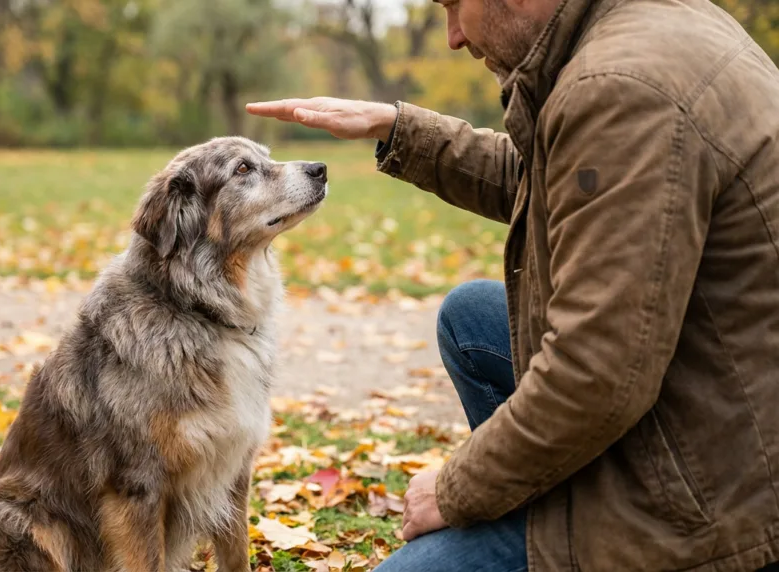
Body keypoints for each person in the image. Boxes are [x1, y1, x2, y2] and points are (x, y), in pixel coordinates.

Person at [245, 0, 779, 569]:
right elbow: (547, 182)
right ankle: (542, 498)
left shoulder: (621, 90)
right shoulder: (652, 25)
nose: (452, 37)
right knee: (471, 318)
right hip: (721, 403)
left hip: (717, 505)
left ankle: (569, 530)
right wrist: (395, 126)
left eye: (454, 7)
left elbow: (595, 379)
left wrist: (454, 490)